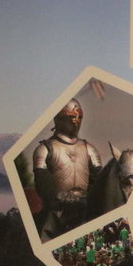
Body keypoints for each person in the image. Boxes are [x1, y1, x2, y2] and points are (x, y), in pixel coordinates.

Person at [32, 98, 102, 239]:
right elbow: (42, 182)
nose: (76, 121)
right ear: (59, 119)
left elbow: (98, 181)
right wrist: (60, 197)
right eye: (71, 117)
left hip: (84, 209)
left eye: (79, 117)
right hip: (56, 212)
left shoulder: (89, 149)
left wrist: (90, 199)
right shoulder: (45, 149)